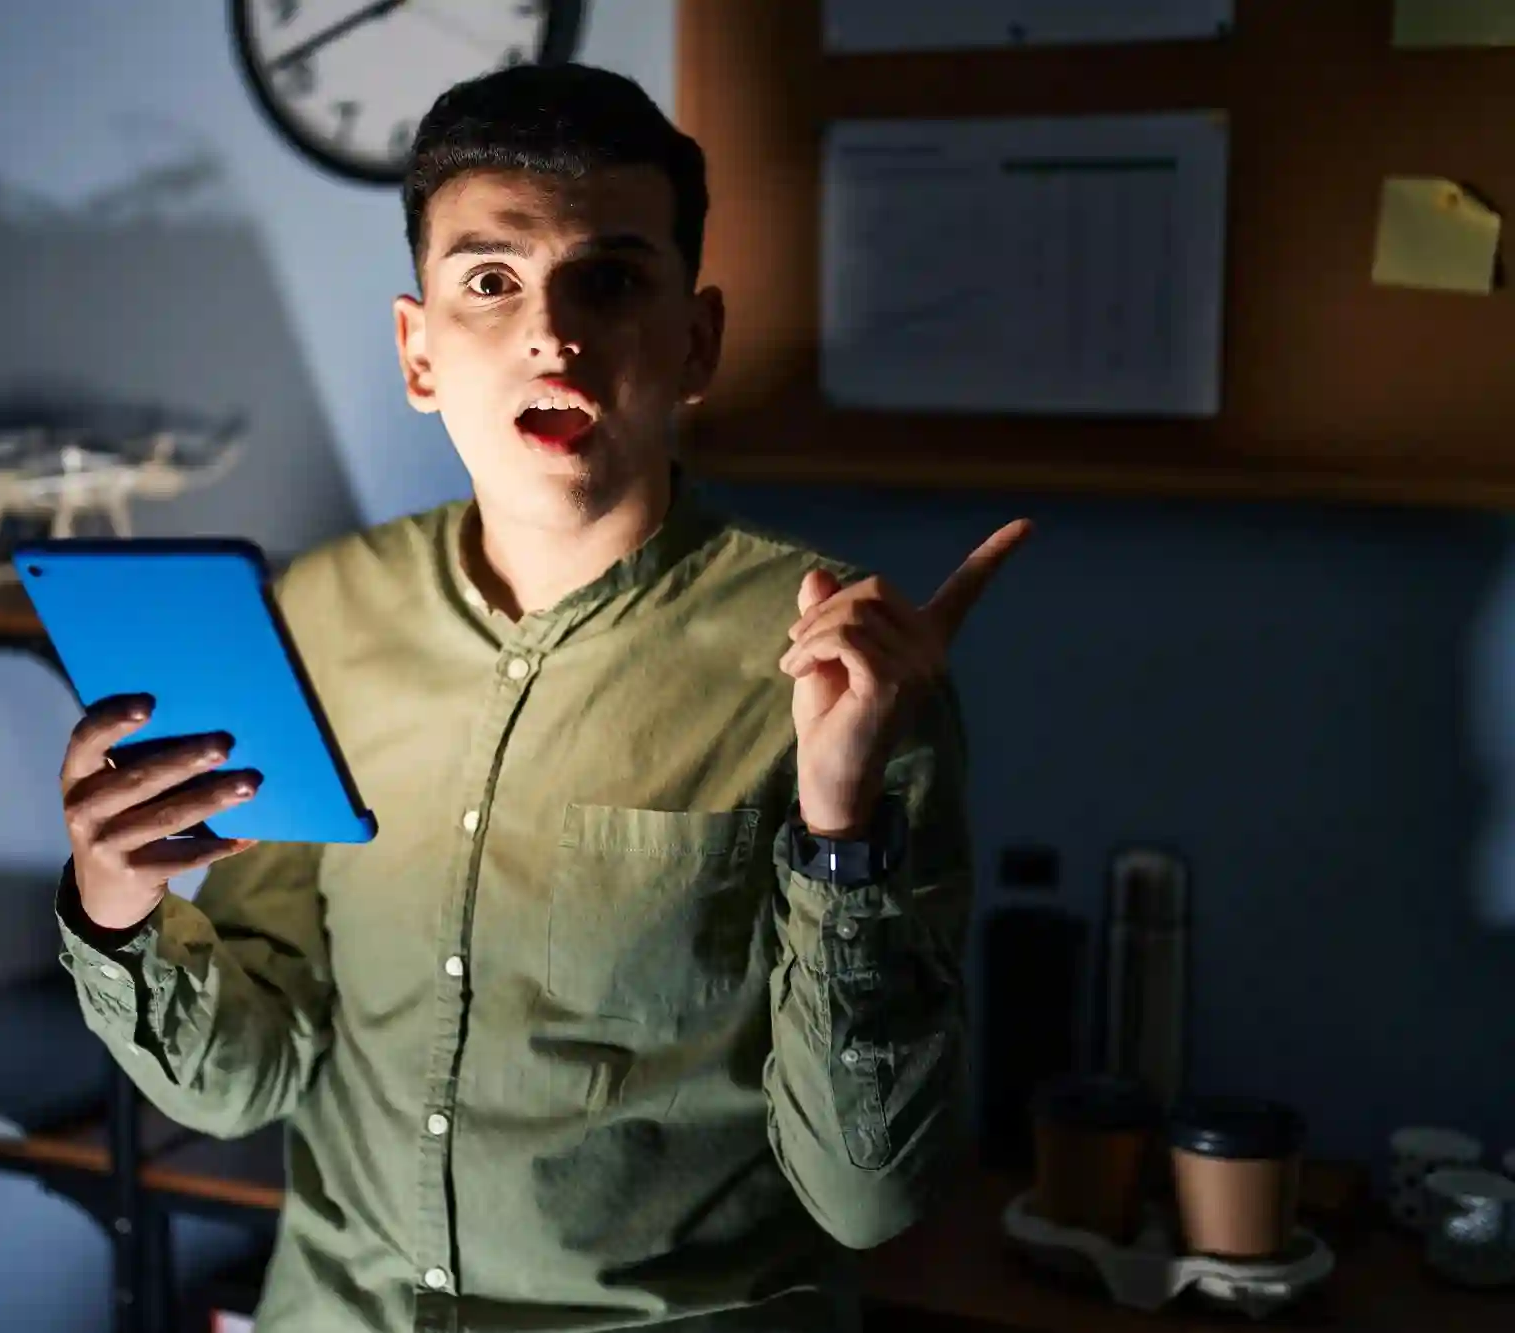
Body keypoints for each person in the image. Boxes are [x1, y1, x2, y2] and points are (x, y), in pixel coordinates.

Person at [53, 62, 1028, 1332]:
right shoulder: (322, 611)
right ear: (417, 348)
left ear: (695, 340)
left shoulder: (838, 663)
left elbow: (867, 1195)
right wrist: (119, 907)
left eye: (609, 280)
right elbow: (250, 1078)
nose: (549, 337)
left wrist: (840, 830)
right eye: (490, 281)